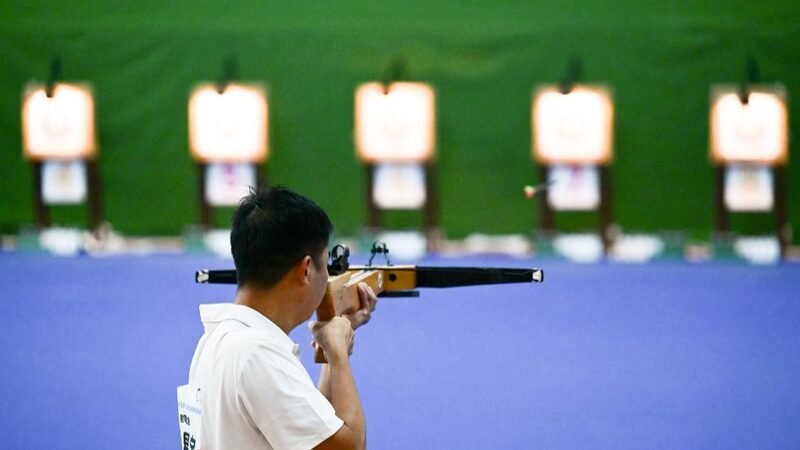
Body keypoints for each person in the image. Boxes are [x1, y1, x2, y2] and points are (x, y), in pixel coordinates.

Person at [186, 185, 377, 450]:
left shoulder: (219, 340)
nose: (328, 277)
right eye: (326, 265)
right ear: (306, 269)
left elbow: (311, 433)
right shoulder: (257, 353)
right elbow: (350, 447)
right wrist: (339, 355)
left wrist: (330, 351)